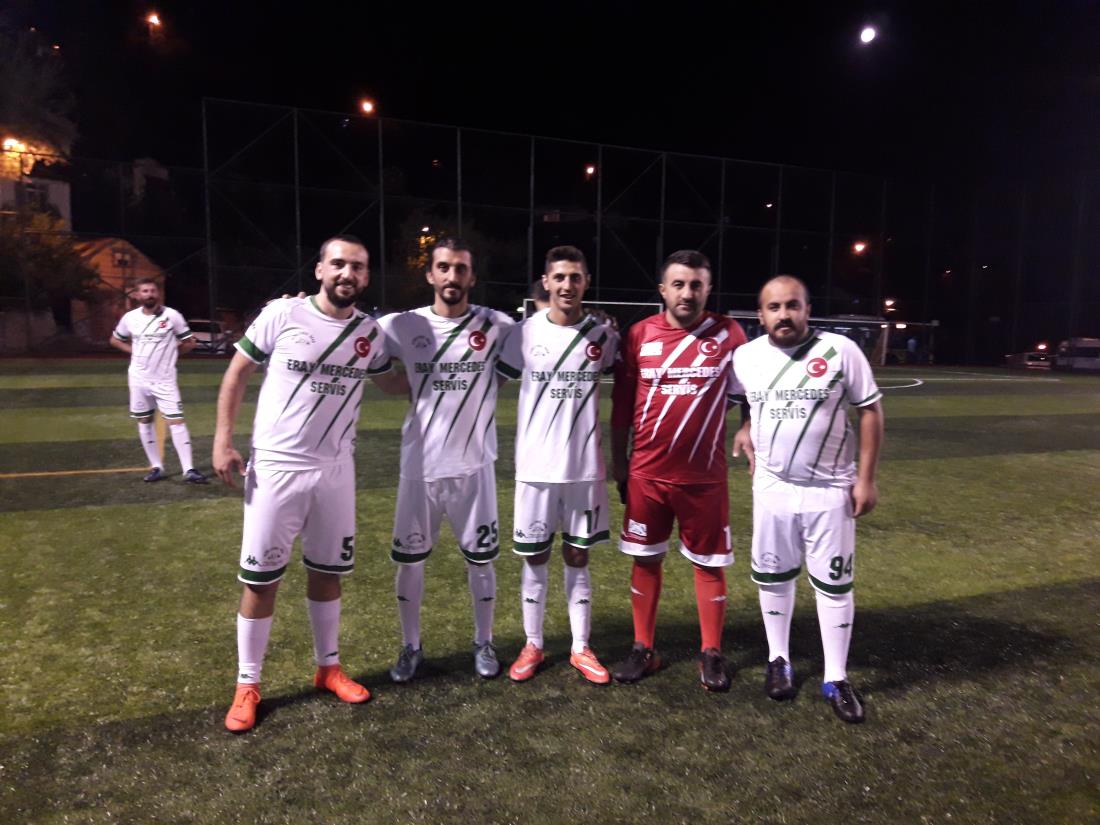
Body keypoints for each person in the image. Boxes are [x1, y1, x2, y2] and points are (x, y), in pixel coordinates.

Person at [213, 235, 409, 733]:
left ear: (366, 277)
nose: (348, 273)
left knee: (327, 573)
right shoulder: (284, 314)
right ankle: (247, 684)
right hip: (277, 468)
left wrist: (451, 374)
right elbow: (237, 373)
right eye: (338, 264)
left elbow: (391, 382)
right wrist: (222, 441)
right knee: (262, 580)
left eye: (358, 267)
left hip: (336, 472)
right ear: (320, 270)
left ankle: (328, 668)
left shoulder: (369, 333)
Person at [730, 275, 883, 724]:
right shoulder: (746, 357)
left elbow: (870, 411)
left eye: (792, 305)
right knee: (774, 577)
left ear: (807, 309)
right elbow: (746, 401)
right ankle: (778, 660)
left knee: (834, 585)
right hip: (772, 487)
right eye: (774, 307)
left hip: (830, 490)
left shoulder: (841, 351)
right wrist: (746, 426)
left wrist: (867, 479)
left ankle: (836, 677)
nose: (784, 315)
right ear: (761, 316)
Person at [609, 250, 748, 691]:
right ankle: (643, 648)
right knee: (645, 558)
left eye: (696, 285)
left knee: (709, 564)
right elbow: (621, 404)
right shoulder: (639, 334)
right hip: (647, 474)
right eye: (679, 284)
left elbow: (754, 387)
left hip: (704, 479)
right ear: (663, 290)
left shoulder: (728, 333)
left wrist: (748, 425)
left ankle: (711, 652)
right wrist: (618, 461)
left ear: (708, 289)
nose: (687, 293)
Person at [378, 238, 513, 682]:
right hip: (420, 468)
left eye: (460, 269)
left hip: (475, 467)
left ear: (471, 276)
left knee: (482, 560)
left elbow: (543, 340)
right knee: (410, 561)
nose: (452, 276)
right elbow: (351, 335)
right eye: (444, 267)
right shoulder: (403, 325)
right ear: (430, 274)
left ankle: (484, 641)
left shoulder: (497, 325)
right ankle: (410, 646)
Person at [497, 246, 619, 684]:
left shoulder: (603, 336)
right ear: (546, 283)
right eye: (560, 277)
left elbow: (629, 383)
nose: (568, 285)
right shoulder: (522, 334)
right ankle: (533, 643)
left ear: (586, 282)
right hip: (535, 468)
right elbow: (489, 384)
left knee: (578, 555)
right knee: (535, 556)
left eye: (576, 277)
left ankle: (580, 647)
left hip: (584, 468)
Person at [109, 278, 207, 484]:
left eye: (153, 290)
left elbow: (190, 342)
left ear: (158, 293)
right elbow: (115, 340)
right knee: (144, 421)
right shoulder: (130, 318)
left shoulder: (172, 315)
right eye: (145, 291)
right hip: (138, 379)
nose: (150, 294)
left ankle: (189, 470)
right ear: (137, 295)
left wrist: (173, 353)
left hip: (165, 380)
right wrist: (133, 351)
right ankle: (156, 467)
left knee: (177, 422)